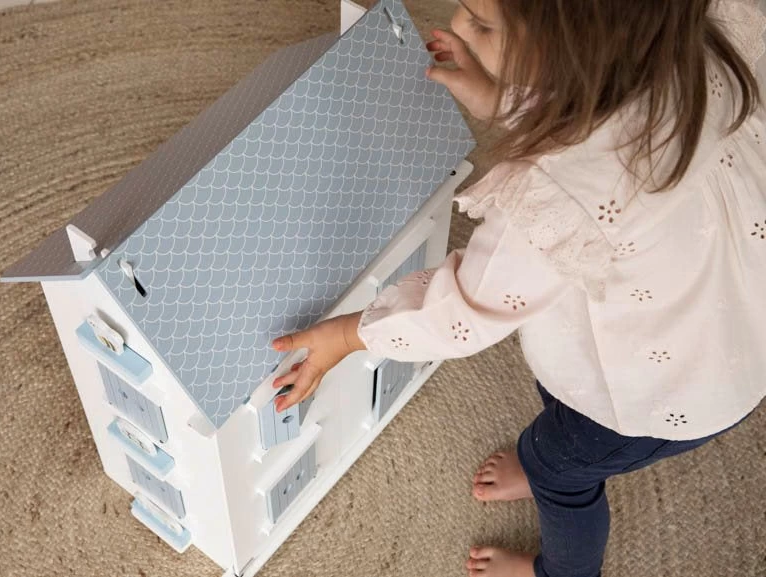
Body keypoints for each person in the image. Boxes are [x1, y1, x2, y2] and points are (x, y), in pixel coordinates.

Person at [270, 1, 766, 576]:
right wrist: (504, 100)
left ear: (571, 53)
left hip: (661, 394)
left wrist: (349, 336)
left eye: (482, 23)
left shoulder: (557, 198)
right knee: (561, 414)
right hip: (731, 326)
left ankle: (561, 567)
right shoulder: (694, 36)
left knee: (558, 465)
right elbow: (603, 110)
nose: (459, 25)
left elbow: (465, 309)